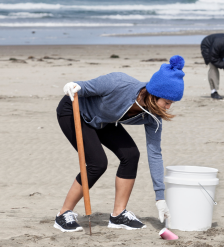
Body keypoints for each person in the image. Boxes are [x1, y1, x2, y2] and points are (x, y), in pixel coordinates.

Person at [53, 56, 185, 232]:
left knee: (131, 155)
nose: (168, 107)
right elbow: (84, 87)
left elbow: (155, 153)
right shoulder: (119, 83)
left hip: (103, 120)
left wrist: (160, 198)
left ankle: (118, 215)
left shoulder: (153, 117)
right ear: (154, 95)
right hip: (74, 111)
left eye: (171, 103)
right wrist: (73, 86)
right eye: (167, 102)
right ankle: (63, 214)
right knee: (97, 164)